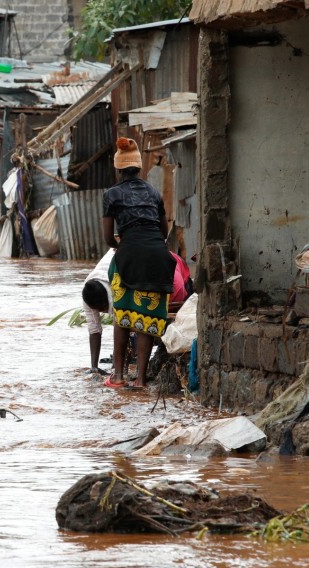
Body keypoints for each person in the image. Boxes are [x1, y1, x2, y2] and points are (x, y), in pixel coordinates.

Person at [102, 137, 176, 389]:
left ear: (118, 168)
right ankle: (141, 380)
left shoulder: (111, 194)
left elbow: (107, 239)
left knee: (123, 316)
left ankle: (119, 376)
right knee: (146, 319)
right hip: (158, 255)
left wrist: (124, 245)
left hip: (129, 255)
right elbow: (164, 231)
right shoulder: (154, 192)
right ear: (138, 167)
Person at [83, 248, 193, 375]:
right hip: (141, 265)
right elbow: (94, 330)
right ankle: (129, 370)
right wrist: (94, 368)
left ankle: (138, 373)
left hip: (170, 270)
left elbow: (127, 323)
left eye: (104, 309)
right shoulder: (88, 294)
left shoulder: (119, 284)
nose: (106, 312)